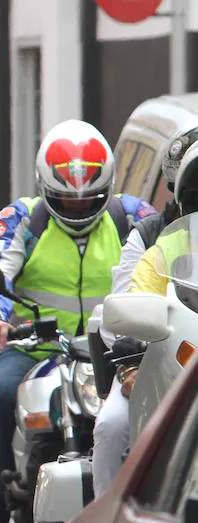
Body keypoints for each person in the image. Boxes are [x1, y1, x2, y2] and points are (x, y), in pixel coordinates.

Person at [0, 120, 155, 523]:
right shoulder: (21, 218)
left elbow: (159, 263)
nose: (79, 202)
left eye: (89, 194)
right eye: (68, 195)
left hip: (115, 352)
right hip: (38, 349)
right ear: (47, 188)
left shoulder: (133, 216)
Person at [93, 127, 198, 495]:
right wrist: (132, 360)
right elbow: (133, 304)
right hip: (169, 371)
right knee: (111, 427)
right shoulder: (162, 245)